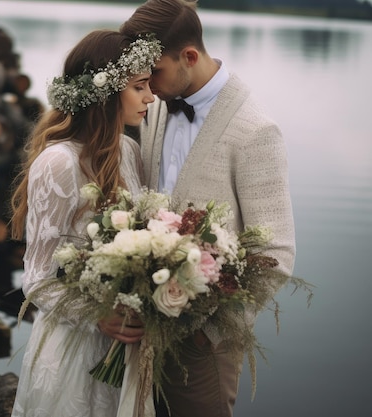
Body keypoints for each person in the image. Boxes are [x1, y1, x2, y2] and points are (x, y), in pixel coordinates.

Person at [119, 1, 296, 416]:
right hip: (140, 329)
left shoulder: (257, 131)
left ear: (190, 57)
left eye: (155, 72)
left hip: (204, 348)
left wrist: (208, 330)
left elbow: (278, 256)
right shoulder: (156, 104)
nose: (147, 84)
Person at [9, 29, 162, 417]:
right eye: (140, 86)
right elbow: (37, 278)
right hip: (73, 350)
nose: (151, 96)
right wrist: (98, 317)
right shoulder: (59, 162)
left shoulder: (128, 150)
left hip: (125, 350)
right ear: (108, 93)